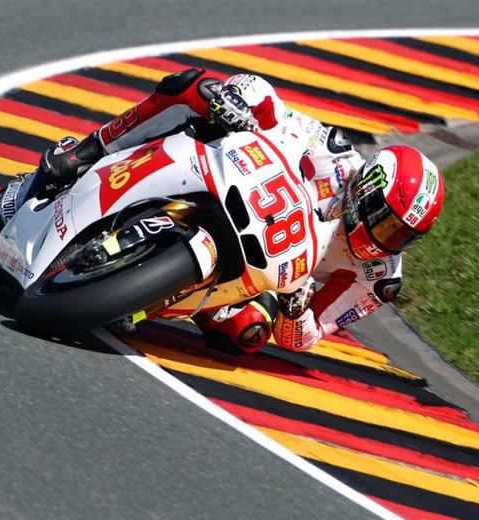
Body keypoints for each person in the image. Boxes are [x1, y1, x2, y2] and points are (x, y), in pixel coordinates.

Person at [38, 68, 444, 354]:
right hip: (236, 185)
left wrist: (296, 307)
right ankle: (87, 151)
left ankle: (146, 301)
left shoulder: (379, 279)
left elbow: (304, 338)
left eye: (401, 236)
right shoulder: (333, 156)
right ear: (364, 193)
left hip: (267, 275)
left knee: (246, 333)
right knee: (196, 88)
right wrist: (238, 101)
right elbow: (267, 100)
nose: (384, 240)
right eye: (386, 223)